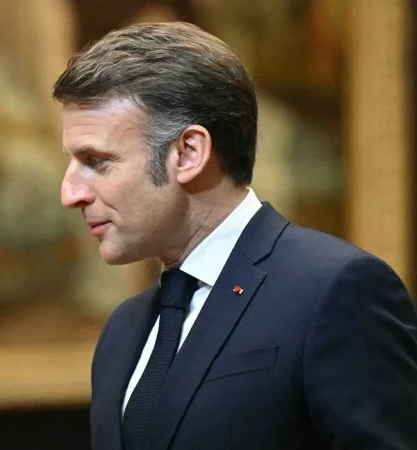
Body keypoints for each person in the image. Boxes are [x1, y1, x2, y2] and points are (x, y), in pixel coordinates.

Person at [53, 22, 417, 450]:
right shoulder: (122, 329)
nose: (69, 193)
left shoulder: (337, 291)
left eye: (96, 161)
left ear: (188, 153)